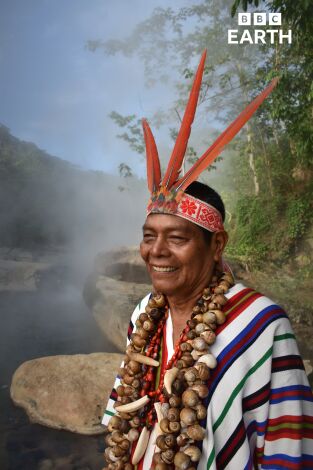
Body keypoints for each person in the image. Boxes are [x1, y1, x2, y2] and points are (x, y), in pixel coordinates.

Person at [102, 51, 313, 469]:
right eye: (149, 237)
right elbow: (121, 408)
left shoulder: (262, 324)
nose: (156, 251)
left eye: (176, 238)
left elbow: (290, 442)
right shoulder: (145, 312)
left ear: (217, 245)